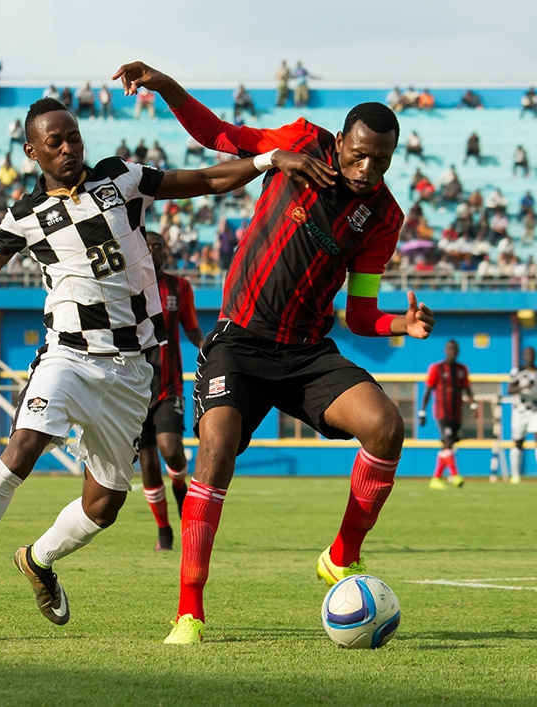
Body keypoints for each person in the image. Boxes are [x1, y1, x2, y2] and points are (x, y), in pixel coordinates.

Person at [0, 95, 328, 629]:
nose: (68, 148)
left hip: (134, 368)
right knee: (21, 447)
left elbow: (204, 180)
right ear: (32, 152)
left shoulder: (120, 178)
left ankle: (38, 560)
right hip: (68, 355)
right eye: (55, 142)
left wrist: (266, 161)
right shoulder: (24, 216)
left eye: (74, 137)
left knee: (105, 504)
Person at [113, 61, 435, 644]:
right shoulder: (300, 142)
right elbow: (217, 135)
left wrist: (399, 324)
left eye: (381, 161)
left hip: (308, 352)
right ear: (339, 142)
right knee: (216, 449)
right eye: (360, 155)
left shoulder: (383, 216)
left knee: (386, 427)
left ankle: (342, 554)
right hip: (239, 341)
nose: (368, 170)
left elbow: (361, 313)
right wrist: (163, 85)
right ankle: (190, 610)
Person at [140, 232, 205, 551]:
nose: (154, 251)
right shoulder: (128, 285)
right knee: (149, 466)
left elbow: (192, 328)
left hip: (169, 386)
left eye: (159, 247)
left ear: (166, 252)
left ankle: (180, 485)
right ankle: (164, 532)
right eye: (149, 246)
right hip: (135, 389)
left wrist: (212, 349)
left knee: (170, 449)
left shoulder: (179, 288)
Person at [419, 340, 477, 490]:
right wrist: (422, 411)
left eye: (455, 349)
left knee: (449, 444)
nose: (453, 351)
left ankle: (436, 478)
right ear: (446, 350)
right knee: (449, 440)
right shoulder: (437, 368)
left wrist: (474, 405)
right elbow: (428, 390)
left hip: (456, 413)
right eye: (450, 348)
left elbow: (467, 390)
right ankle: (455, 474)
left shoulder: (462, 369)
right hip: (441, 411)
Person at [507, 347, 537, 484]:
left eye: (532, 354)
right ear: (523, 356)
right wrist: (524, 387)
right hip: (520, 410)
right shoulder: (517, 372)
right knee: (518, 442)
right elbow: (509, 389)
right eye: (527, 354)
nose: (530, 357)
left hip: (536, 409)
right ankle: (515, 475)